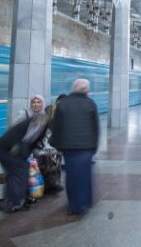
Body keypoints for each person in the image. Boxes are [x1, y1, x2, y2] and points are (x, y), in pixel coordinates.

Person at [50, 79, 99, 215]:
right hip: (86, 147)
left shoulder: (63, 103)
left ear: (73, 89)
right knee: (85, 175)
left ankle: (73, 205)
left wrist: (57, 145)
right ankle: (84, 203)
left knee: (71, 176)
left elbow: (57, 127)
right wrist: (94, 146)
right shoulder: (90, 103)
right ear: (86, 90)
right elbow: (95, 127)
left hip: (69, 147)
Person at [0, 112, 50, 212]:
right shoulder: (40, 123)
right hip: (7, 149)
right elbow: (26, 141)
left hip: (5, 148)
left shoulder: (37, 121)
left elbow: (31, 141)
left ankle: (12, 202)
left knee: (13, 174)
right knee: (20, 172)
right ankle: (16, 203)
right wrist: (26, 157)